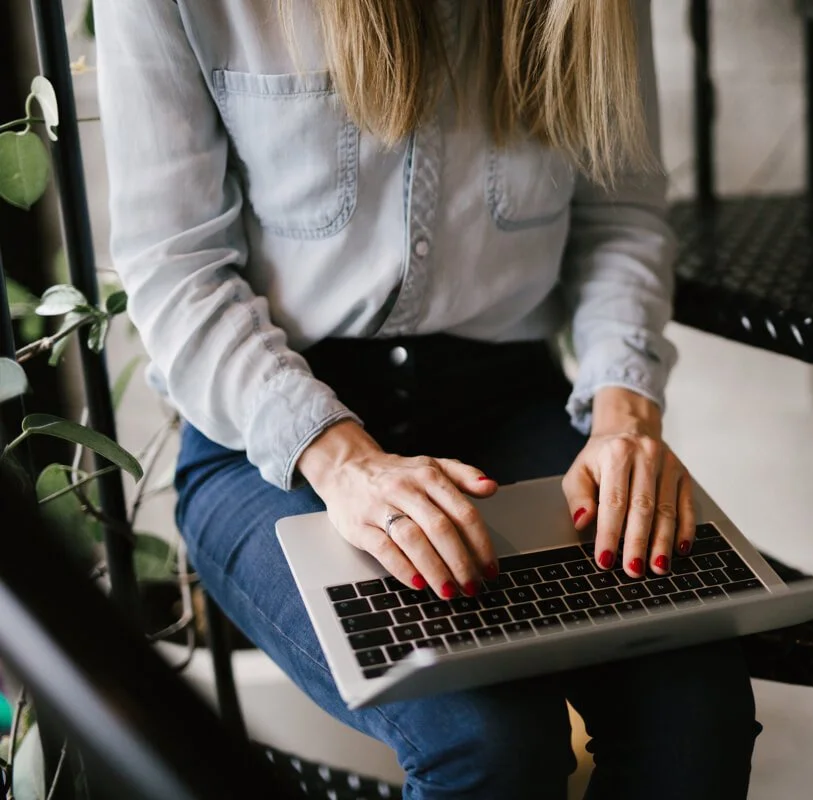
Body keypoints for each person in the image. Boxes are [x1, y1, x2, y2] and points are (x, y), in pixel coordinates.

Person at [96, 1, 760, 798]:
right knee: (490, 742)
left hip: (509, 404)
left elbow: (620, 218)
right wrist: (345, 463)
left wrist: (627, 417)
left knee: (698, 716)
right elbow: (177, 269)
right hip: (272, 442)